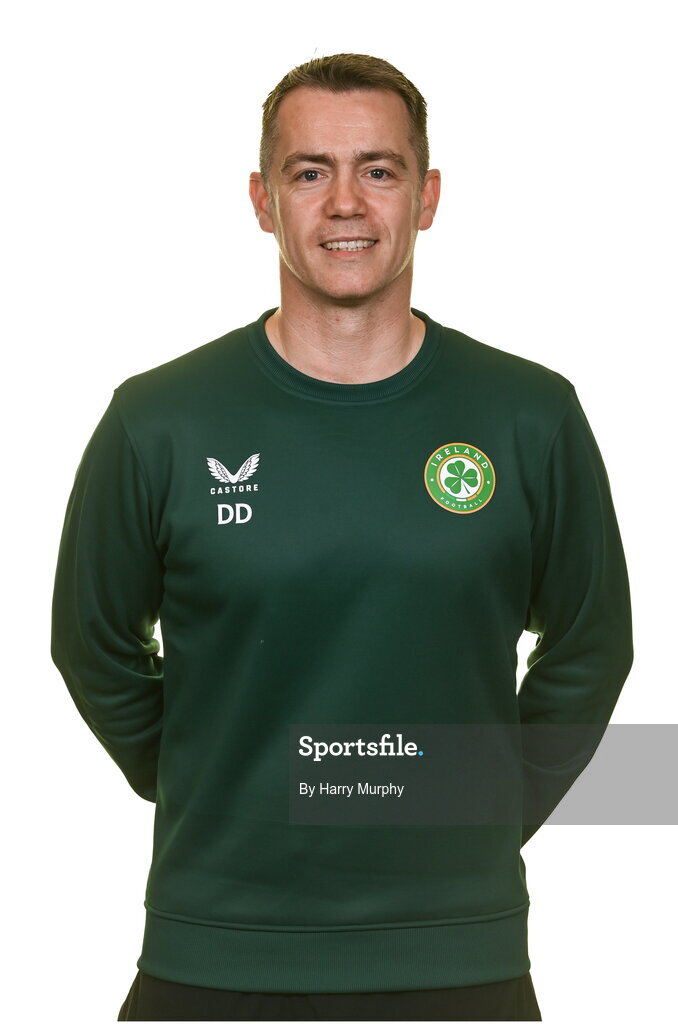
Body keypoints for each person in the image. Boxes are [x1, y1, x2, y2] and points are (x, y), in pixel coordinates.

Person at [50, 52, 633, 1021]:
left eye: (379, 168)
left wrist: (477, 804)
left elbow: (593, 645)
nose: (346, 203)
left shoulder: (531, 416)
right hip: (215, 947)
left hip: (460, 955)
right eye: (310, 171)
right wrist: (210, 771)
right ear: (262, 199)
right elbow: (92, 644)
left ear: (428, 196)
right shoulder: (158, 422)